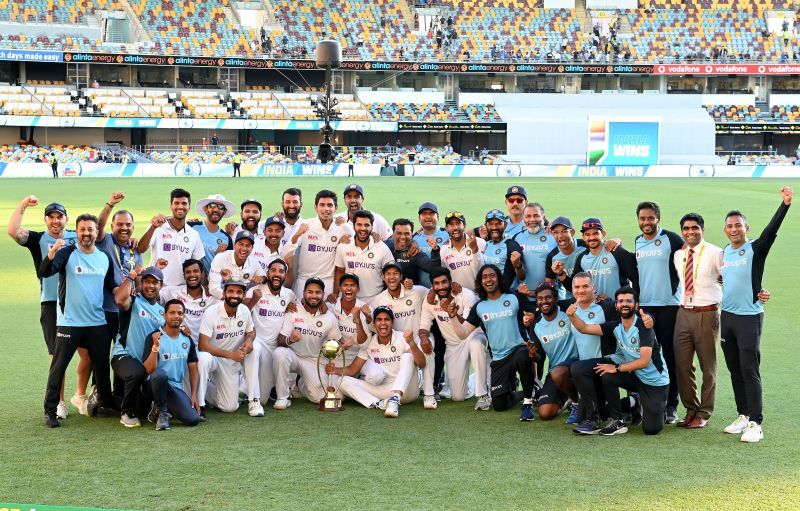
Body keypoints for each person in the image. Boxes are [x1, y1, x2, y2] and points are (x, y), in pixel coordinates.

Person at [719, 186, 792, 443]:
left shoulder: (756, 249)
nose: (734, 229)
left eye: (738, 225)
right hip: (726, 318)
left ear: (746, 228)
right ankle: (743, 414)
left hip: (749, 318)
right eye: (729, 226)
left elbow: (771, 231)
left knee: (749, 369)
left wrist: (785, 205)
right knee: (734, 368)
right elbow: (722, 279)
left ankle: (756, 423)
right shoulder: (724, 253)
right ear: (725, 230)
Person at [39, 214, 118, 427]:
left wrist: (122, 289)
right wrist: (51, 255)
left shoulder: (103, 257)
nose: (86, 233)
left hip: (97, 322)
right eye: (82, 229)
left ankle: (105, 402)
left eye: (90, 229)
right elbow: (45, 271)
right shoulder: (68, 253)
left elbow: (110, 284)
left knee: (101, 367)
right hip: (70, 323)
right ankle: (50, 410)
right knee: (58, 367)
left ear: (96, 232)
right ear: (77, 231)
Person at [8, 197, 83, 419]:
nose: (55, 221)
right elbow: (13, 231)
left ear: (66, 219)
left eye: (59, 216)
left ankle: (81, 395)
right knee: (56, 355)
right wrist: (22, 204)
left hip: (78, 301)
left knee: (86, 352)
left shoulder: (76, 236)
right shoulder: (38, 239)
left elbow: (97, 236)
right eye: (51, 217)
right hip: (51, 303)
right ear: (45, 220)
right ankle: (59, 401)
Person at [567, 286, 670, 436]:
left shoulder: (644, 327)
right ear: (616, 305)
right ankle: (617, 420)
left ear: (635, 305)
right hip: (633, 375)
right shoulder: (616, 326)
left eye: (628, 301)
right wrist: (572, 316)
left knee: (651, 429)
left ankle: (649, 406)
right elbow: (584, 328)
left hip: (654, 381)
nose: (624, 304)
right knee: (588, 370)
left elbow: (645, 361)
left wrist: (616, 368)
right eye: (620, 301)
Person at [451, 264, 539, 421]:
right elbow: (462, 333)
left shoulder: (513, 297)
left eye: (492, 275)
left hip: (519, 348)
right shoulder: (479, 307)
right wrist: (452, 316)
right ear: (480, 282)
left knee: (523, 357)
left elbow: (535, 312)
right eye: (484, 277)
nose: (488, 279)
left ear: (498, 278)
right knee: (499, 405)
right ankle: (529, 390)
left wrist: (531, 318)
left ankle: (527, 403)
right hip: (499, 358)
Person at [633, 201, 685, 424]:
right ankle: (651, 403)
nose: (646, 222)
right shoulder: (637, 241)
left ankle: (672, 405)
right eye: (642, 218)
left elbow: (689, 260)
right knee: (647, 356)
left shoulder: (672, 239)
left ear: (658, 218)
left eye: (650, 218)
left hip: (669, 306)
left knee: (670, 357)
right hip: (646, 307)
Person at [673, 212, 724, 429]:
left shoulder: (715, 252)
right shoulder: (679, 254)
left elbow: (728, 277)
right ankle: (690, 409)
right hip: (684, 312)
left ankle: (704, 412)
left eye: (695, 228)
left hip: (707, 312)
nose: (690, 232)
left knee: (708, 366)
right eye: (686, 228)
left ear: (702, 229)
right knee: (683, 365)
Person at [329, 306, 427, 417]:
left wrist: (412, 343)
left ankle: (395, 399)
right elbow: (352, 370)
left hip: (407, 390)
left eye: (387, 319)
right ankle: (379, 404)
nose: (383, 323)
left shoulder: (402, 337)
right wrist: (334, 369)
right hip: (384, 391)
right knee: (341, 381)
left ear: (392, 322)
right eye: (379, 320)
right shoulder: (369, 343)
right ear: (374, 324)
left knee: (408, 357)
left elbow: (422, 363)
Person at [420, 268, 491, 410]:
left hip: (472, 336)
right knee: (458, 397)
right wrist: (423, 337)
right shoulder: (430, 299)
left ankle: (483, 393)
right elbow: (424, 325)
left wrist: (450, 311)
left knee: (477, 345)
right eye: (437, 284)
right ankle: (474, 380)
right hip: (453, 346)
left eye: (444, 282)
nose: (441, 287)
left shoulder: (466, 295)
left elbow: (467, 327)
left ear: (450, 282)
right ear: (432, 286)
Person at [369, 262, 436, 408]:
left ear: (401, 277)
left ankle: (429, 395)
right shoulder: (378, 300)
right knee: (406, 359)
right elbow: (370, 318)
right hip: (399, 343)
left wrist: (431, 292)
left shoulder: (416, 291)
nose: (392, 277)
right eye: (388, 274)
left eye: (395, 274)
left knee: (427, 347)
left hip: (420, 337)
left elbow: (433, 291)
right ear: (383, 277)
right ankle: (400, 393)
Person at [272, 278, 342, 410]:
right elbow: (280, 340)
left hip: (313, 360)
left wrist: (344, 346)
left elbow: (334, 342)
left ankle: (301, 382)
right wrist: (291, 339)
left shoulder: (329, 317)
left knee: (319, 397)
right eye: (310, 292)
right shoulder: (294, 310)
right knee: (279, 353)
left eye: (318, 292)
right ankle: (282, 398)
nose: (314, 296)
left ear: (323, 294)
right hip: (293, 356)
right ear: (303, 293)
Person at [110, 267, 165, 428]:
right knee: (136, 372)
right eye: (147, 281)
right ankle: (126, 413)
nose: (150, 286)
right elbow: (119, 300)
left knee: (143, 409)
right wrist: (132, 277)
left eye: (155, 282)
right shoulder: (134, 301)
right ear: (142, 283)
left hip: (147, 363)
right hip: (124, 356)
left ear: (161, 285)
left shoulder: (163, 311)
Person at [197, 276, 256, 416]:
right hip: (213, 358)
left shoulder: (245, 311)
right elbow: (202, 345)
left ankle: (207, 391)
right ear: (224, 294)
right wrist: (231, 355)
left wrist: (249, 340)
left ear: (243, 295)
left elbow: (251, 331)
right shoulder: (211, 312)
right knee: (203, 358)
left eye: (239, 292)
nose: (234, 295)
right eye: (231, 291)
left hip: (229, 363)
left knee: (230, 407)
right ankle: (199, 405)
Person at [243, 258, 296, 409]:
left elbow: (300, 311)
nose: (277, 274)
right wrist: (253, 300)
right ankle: (253, 402)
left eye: (281, 271)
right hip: (257, 340)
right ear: (268, 273)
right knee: (254, 348)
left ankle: (255, 394)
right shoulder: (256, 291)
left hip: (274, 346)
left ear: (285, 275)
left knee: (264, 399)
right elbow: (242, 314)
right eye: (273, 270)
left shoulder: (289, 295)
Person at [142, 299, 203, 430]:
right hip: (153, 385)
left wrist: (193, 395)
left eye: (180, 313)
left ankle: (158, 409)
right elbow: (149, 369)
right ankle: (163, 413)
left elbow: (193, 369)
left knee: (193, 419)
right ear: (164, 315)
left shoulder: (186, 339)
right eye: (172, 312)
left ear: (183, 316)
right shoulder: (154, 336)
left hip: (174, 388)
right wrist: (155, 347)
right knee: (160, 374)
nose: (176, 316)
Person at [529, 283, 580, 422]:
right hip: (556, 371)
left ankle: (577, 404)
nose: (544, 301)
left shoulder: (567, 311)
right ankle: (570, 399)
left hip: (577, 363)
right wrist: (534, 355)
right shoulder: (536, 326)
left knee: (558, 372)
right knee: (545, 414)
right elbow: (540, 357)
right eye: (540, 298)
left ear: (556, 299)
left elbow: (580, 296)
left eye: (548, 297)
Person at [137, 189, 205, 287]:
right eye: (176, 203)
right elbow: (141, 249)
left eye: (184, 203)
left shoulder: (194, 234)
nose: (180, 207)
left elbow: (199, 264)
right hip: (157, 287)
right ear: (171, 206)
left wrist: (202, 288)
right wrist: (153, 227)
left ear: (189, 207)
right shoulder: (158, 227)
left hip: (181, 290)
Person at [288, 190, 350, 297]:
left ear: (336, 208)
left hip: (328, 284)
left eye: (330, 205)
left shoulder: (342, 227)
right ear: (315, 207)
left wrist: (348, 236)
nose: (326, 209)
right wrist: (297, 234)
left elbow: (356, 239)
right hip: (304, 282)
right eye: (322, 205)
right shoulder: (305, 225)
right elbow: (287, 249)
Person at [564, 217, 637, 300]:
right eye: (587, 234)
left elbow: (635, 278)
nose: (592, 237)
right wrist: (560, 274)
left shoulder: (616, 251)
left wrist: (635, 299)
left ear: (603, 234)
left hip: (619, 308)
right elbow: (573, 287)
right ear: (583, 237)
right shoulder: (581, 258)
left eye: (595, 233)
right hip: (595, 309)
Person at [332, 210, 395, 302]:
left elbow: (391, 273)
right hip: (349, 298)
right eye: (359, 225)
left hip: (375, 299)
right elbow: (339, 272)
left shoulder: (382, 247)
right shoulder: (343, 246)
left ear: (372, 227)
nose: (363, 228)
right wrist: (335, 294)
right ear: (354, 226)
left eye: (366, 225)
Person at [160, 259, 218, 344]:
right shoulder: (173, 291)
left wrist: (216, 288)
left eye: (195, 271)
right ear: (184, 276)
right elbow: (152, 295)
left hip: (201, 349)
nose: (192, 275)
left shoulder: (212, 298)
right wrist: (157, 269)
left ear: (202, 274)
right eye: (188, 272)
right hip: (177, 345)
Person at [513, 202, 556, 296]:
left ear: (543, 218)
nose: (532, 219)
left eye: (536, 216)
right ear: (523, 219)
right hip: (525, 296)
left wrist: (557, 224)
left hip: (552, 297)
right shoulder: (517, 238)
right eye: (528, 216)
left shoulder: (554, 235)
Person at [208, 231, 265, 300]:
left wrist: (262, 278)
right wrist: (233, 299)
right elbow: (213, 288)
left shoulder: (254, 263)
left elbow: (264, 277)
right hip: (220, 301)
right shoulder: (221, 257)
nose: (244, 248)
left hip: (240, 303)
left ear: (252, 248)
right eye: (241, 244)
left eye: (248, 245)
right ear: (234, 245)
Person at [385, 218, 442, 285]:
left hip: (410, 293)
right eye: (399, 233)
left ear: (411, 234)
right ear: (393, 234)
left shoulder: (414, 252)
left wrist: (435, 249)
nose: (403, 237)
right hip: (386, 293)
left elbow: (434, 269)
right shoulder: (385, 246)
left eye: (407, 233)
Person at [439, 210, 485, 292]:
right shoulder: (444, 250)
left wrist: (475, 250)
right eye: (451, 224)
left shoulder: (480, 242)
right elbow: (445, 277)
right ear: (446, 228)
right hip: (458, 297)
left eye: (458, 223)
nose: (455, 227)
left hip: (480, 295)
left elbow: (484, 270)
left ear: (464, 225)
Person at [190, 194, 235, 274]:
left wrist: (217, 256)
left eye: (220, 207)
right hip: (191, 280)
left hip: (213, 283)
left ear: (224, 212)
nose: (216, 210)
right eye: (212, 205)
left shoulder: (227, 238)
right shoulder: (192, 227)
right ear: (205, 209)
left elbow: (228, 266)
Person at [545, 216, 587, 300]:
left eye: (564, 231)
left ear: (572, 232)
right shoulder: (552, 257)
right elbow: (549, 284)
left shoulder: (585, 246)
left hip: (592, 294)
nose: (560, 235)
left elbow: (601, 244)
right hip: (570, 299)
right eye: (555, 232)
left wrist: (617, 240)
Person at [481, 209, 526, 289]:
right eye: (491, 224)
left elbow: (522, 277)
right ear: (486, 226)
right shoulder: (485, 244)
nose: (494, 227)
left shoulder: (511, 246)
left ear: (505, 225)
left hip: (506, 295)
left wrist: (518, 265)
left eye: (498, 224)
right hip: (488, 294)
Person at [412, 202, 449, 287]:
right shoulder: (414, 239)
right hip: (421, 290)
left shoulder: (447, 234)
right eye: (424, 214)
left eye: (431, 213)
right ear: (419, 218)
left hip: (444, 288)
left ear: (438, 217)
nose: (428, 216)